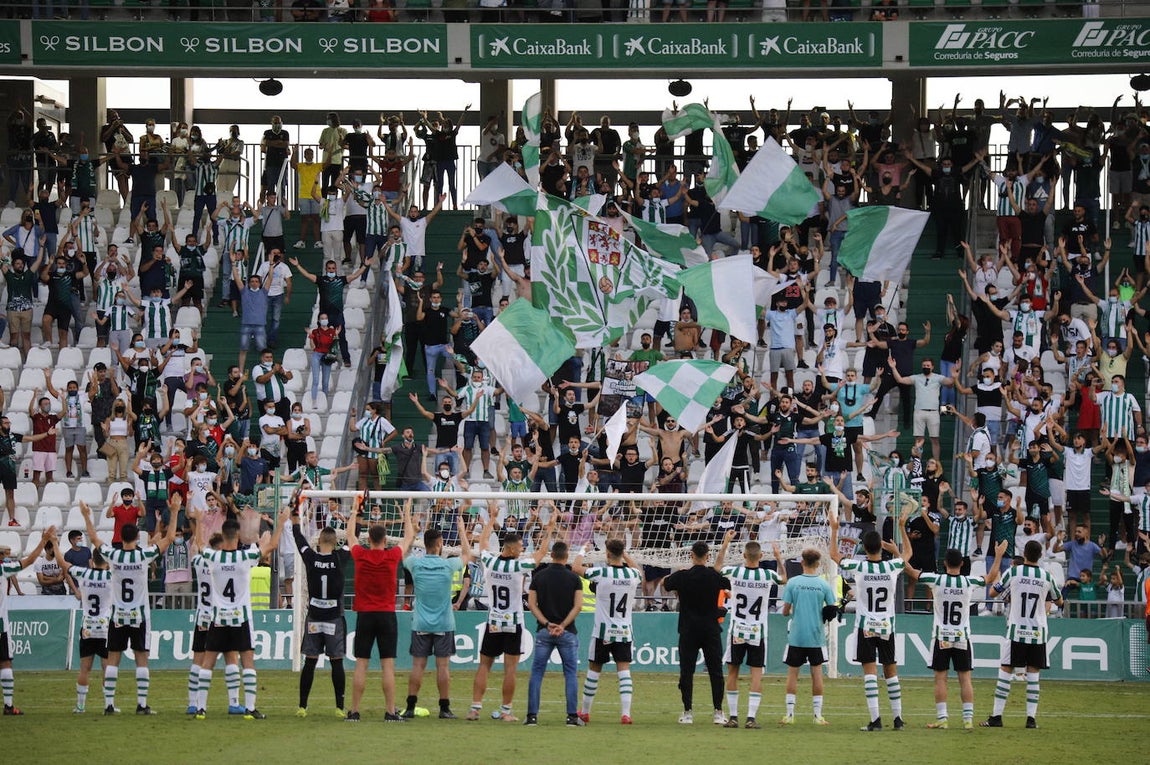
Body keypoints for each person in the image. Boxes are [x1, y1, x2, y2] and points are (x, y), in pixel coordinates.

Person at [902, 512, 1009, 729]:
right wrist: (998, 556)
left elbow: (911, 572)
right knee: (965, 678)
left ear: (944, 563)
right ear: (962, 563)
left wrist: (900, 550)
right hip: (962, 636)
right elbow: (990, 578)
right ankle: (968, 720)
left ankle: (942, 719)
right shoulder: (968, 581)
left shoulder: (936, 579)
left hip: (941, 636)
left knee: (940, 678)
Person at [79, 499, 177, 715]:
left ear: (121, 538)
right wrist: (175, 511)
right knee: (141, 659)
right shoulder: (143, 555)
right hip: (139, 616)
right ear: (137, 537)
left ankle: (108, 705)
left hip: (118, 616)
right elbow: (170, 538)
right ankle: (141, 704)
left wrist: (86, 515)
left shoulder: (113, 555)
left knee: (113, 659)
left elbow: (94, 538)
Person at [194, 505, 289, 720]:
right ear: (237, 536)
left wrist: (199, 521)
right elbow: (272, 545)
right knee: (247, 662)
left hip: (218, 619)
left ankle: (201, 708)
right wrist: (281, 523)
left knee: (207, 663)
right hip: (240, 618)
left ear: (223, 536)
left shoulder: (213, 557)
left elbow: (200, 544)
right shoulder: (245, 556)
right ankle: (250, 708)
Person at [467, 508, 552, 722]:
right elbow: (541, 554)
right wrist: (550, 529)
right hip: (513, 622)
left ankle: (475, 709)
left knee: (484, 665)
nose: (522, 549)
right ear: (512, 548)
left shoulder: (490, 562)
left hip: (494, 621)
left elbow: (483, 543)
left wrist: (491, 519)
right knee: (510, 669)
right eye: (521, 546)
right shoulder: (518, 565)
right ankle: (506, 711)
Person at [829, 509, 906, 731]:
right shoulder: (891, 566)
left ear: (863, 547)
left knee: (870, 673)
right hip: (887, 626)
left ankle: (876, 720)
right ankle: (898, 719)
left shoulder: (860, 567)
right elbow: (908, 555)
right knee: (891, 671)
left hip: (866, 626)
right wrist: (900, 532)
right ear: (881, 546)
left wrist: (834, 530)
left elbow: (834, 555)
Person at [344, 495, 414, 722]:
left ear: (368, 538)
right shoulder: (392, 556)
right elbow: (409, 537)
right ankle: (390, 711)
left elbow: (350, 535)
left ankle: (354, 711)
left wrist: (354, 511)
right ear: (385, 540)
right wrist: (407, 513)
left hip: (365, 614)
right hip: (386, 615)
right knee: (388, 665)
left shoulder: (361, 555)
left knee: (361, 663)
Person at [983, 540, 1065, 729]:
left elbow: (993, 593)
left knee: (1006, 670)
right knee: (1033, 674)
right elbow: (1059, 601)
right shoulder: (1047, 576)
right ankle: (1031, 719)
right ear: (1040, 555)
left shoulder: (1014, 572)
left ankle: (996, 717)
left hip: (1016, 631)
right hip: (1038, 632)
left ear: (1024, 554)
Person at [713, 530, 786, 729]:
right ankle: (751, 718)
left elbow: (717, 568)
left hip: (737, 630)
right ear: (761, 556)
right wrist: (778, 558)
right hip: (758, 631)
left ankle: (733, 717)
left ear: (744, 555)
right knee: (756, 674)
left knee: (733, 672)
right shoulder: (767, 574)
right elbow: (783, 579)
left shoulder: (735, 572)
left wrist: (726, 543)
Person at [402, 515, 471, 720]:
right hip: (443, 623)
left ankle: (410, 707)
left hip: (421, 623)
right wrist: (461, 530)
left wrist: (412, 531)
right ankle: (444, 708)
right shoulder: (448, 565)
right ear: (440, 544)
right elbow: (467, 554)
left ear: (424, 545)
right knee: (443, 666)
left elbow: (403, 552)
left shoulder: (415, 564)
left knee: (417, 666)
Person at [571, 538, 642, 724]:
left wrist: (582, 550)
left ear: (607, 554)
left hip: (603, 632)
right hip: (624, 631)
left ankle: (585, 712)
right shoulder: (632, 574)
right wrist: (625, 554)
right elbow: (639, 572)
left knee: (594, 670)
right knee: (624, 671)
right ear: (622, 554)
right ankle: (626, 714)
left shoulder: (601, 572)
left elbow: (576, 568)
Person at [663, 540, 731, 726]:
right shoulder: (714, 576)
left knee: (687, 671)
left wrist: (678, 582)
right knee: (716, 672)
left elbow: (665, 583)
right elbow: (725, 582)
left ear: (691, 555)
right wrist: (725, 545)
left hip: (688, 630)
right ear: (707, 556)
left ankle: (687, 712)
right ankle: (718, 712)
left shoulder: (683, 576)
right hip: (710, 630)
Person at [292, 509, 350, 718]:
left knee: (310, 661)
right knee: (336, 661)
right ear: (335, 542)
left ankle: (302, 706)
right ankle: (339, 707)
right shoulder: (340, 558)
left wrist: (295, 519)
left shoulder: (310, 557)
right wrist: (357, 513)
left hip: (314, 617)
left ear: (318, 542)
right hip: (333, 618)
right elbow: (353, 536)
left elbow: (299, 539)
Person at [524, 540, 584, 727]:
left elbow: (531, 604)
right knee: (570, 673)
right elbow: (578, 606)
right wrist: (563, 625)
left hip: (544, 631)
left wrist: (547, 623)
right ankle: (572, 717)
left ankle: (532, 716)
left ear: (551, 555)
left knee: (537, 672)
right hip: (567, 632)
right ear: (567, 557)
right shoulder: (574, 578)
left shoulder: (539, 576)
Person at [51, 534, 112, 714]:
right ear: (107, 561)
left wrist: (54, 543)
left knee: (85, 668)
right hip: (105, 628)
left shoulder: (84, 573)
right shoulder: (111, 576)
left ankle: (80, 706)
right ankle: (108, 705)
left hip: (87, 627)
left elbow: (62, 564)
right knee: (107, 668)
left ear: (92, 561)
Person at [779, 546, 837, 726]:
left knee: (792, 675)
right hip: (816, 635)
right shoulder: (824, 584)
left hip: (797, 635)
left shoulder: (793, 583)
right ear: (818, 564)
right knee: (817, 675)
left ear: (802, 562)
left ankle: (789, 715)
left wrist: (793, 610)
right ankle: (818, 716)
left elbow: (785, 612)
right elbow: (832, 609)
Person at [0, 526, 52, 716]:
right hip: (0, 625)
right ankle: (8, 705)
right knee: (5, 663)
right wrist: (43, 540)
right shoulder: (3, 569)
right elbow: (29, 561)